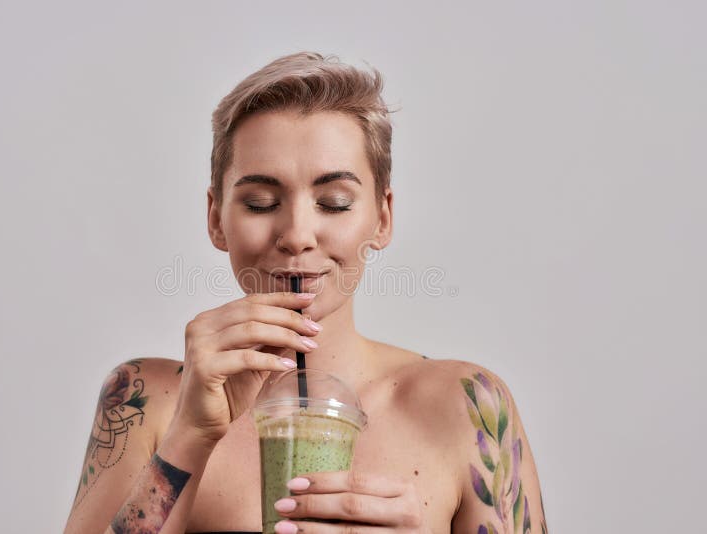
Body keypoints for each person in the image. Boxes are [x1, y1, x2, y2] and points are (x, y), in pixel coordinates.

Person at [64, 51, 547, 534]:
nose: (297, 234)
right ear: (216, 218)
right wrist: (190, 436)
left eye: (333, 203)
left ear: (382, 217)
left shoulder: (468, 409)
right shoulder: (146, 402)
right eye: (260, 202)